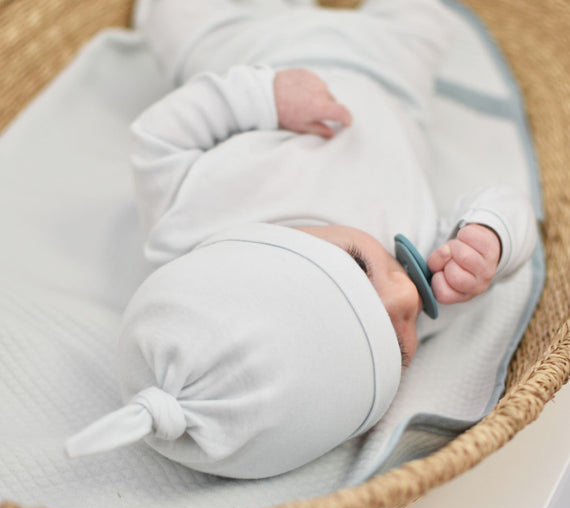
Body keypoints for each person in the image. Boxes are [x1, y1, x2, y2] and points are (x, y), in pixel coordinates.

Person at [65, 0, 538, 478]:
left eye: (358, 265)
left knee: (170, 13)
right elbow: (510, 205)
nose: (404, 295)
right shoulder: (421, 275)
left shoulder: (193, 215)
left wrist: (262, 97)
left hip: (248, 48)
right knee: (425, 16)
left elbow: (159, 137)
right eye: (398, 347)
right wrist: (489, 238)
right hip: (389, 69)